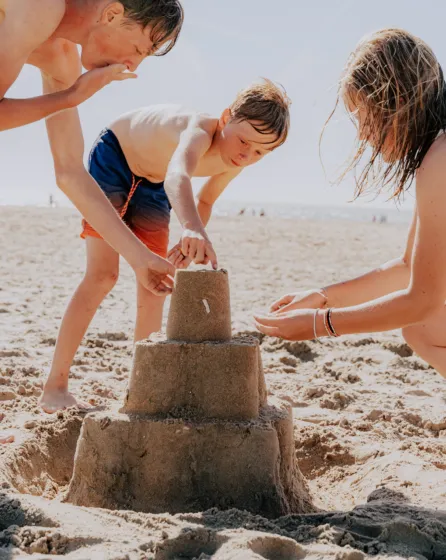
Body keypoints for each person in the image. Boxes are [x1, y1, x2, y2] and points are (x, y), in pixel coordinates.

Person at [39, 79, 291, 412]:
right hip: (115, 157)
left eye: (260, 152)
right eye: (244, 140)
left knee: (156, 283)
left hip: (154, 184)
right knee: (103, 275)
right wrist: (191, 226)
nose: (247, 154)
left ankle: (140, 391)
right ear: (227, 117)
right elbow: (179, 176)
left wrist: (189, 240)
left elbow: (206, 200)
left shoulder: (237, 161)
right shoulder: (200, 130)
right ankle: (54, 388)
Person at [0, 0, 183, 443]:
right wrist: (71, 97)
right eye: (138, 48)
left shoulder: (61, 57)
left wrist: (140, 258)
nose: (131, 64)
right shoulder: (41, 8)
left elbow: (71, 173)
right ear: (112, 12)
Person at [255, 28, 446, 379]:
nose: (362, 133)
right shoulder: (437, 151)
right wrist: (321, 297)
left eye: (363, 116)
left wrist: (320, 324)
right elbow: (408, 267)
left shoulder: (440, 159)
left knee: (424, 323)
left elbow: (423, 299)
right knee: (422, 330)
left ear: (395, 100)